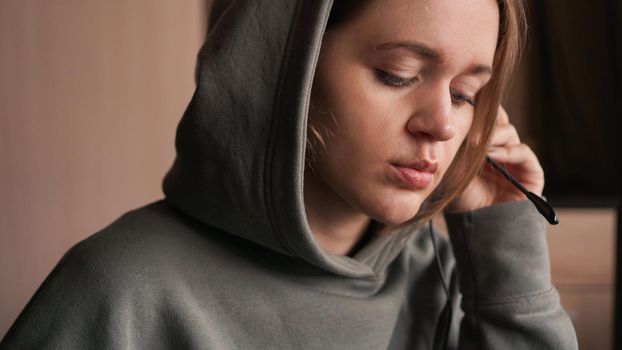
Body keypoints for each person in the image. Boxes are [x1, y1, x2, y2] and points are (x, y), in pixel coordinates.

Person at [1, 0, 577, 349]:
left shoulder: (443, 279)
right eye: (399, 74)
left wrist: (507, 253)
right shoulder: (117, 291)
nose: (442, 125)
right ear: (287, 68)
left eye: (465, 93)